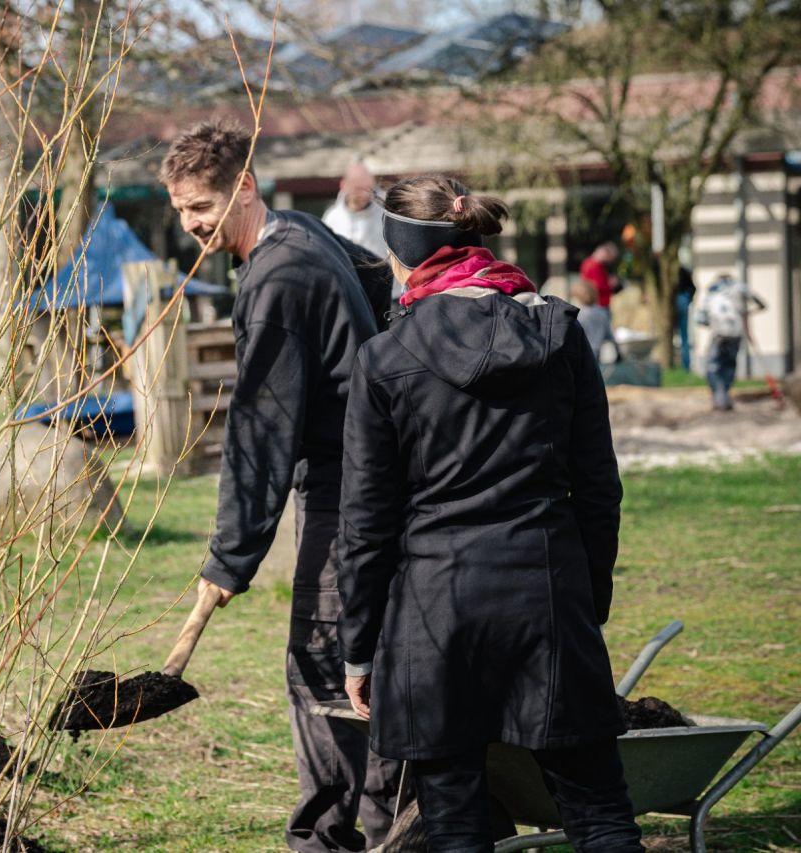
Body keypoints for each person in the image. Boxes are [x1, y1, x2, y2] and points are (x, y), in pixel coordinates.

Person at [336, 175, 644, 852]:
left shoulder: (385, 358)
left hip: (432, 612)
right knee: (598, 811)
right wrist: (585, 599)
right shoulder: (560, 332)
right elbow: (598, 487)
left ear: (401, 255)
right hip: (546, 589)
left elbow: (365, 518)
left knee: (455, 822)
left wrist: (358, 646)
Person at [160, 120, 399, 853]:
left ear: (245, 188)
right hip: (374, 473)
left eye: (202, 205)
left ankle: (329, 840)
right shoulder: (299, 233)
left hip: (346, 486)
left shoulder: (276, 278)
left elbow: (259, 431)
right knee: (374, 657)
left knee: (325, 665)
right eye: (180, 209)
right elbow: (381, 280)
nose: (191, 223)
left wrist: (231, 558)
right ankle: (404, 830)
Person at [700, 272, 767, 411]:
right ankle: (723, 396)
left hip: (718, 334)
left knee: (713, 366)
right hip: (736, 333)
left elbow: (701, 319)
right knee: (729, 365)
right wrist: (748, 312)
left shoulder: (712, 291)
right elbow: (762, 304)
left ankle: (720, 398)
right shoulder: (739, 288)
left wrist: (712, 321)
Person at [323, 159, 387, 259]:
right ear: (344, 185)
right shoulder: (332, 218)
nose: (365, 194)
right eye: (358, 189)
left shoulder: (386, 215)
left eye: (369, 188)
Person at [570, 280, 614, 363]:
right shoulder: (602, 312)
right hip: (599, 354)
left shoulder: (577, 315)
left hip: (582, 355)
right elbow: (609, 336)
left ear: (577, 297)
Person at [579, 241, 621, 312]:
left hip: (599, 304)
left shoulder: (596, 265)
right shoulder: (592, 265)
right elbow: (596, 286)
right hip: (597, 305)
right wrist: (611, 284)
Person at [675, 265, 697, 371]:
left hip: (680, 300)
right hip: (684, 300)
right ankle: (685, 366)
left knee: (683, 337)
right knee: (684, 337)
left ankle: (684, 366)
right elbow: (693, 288)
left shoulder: (677, 271)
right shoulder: (682, 270)